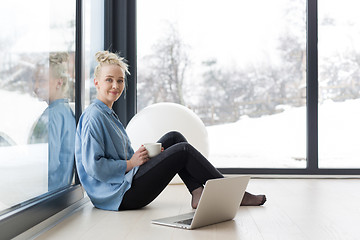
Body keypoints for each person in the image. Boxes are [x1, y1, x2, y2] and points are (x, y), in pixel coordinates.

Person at [75, 50, 266, 211]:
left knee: (174, 138)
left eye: (120, 80)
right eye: (109, 80)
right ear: (97, 82)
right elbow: (94, 167)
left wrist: (143, 159)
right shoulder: (95, 117)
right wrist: (132, 163)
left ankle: (197, 191)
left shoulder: (107, 113)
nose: (116, 86)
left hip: (125, 183)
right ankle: (234, 195)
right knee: (182, 150)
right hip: (119, 196)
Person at [30, 52, 76, 192]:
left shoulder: (52, 116)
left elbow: (48, 164)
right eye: (34, 80)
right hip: (60, 192)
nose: (36, 86)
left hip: (47, 193)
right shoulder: (66, 111)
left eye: (42, 80)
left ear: (59, 82)